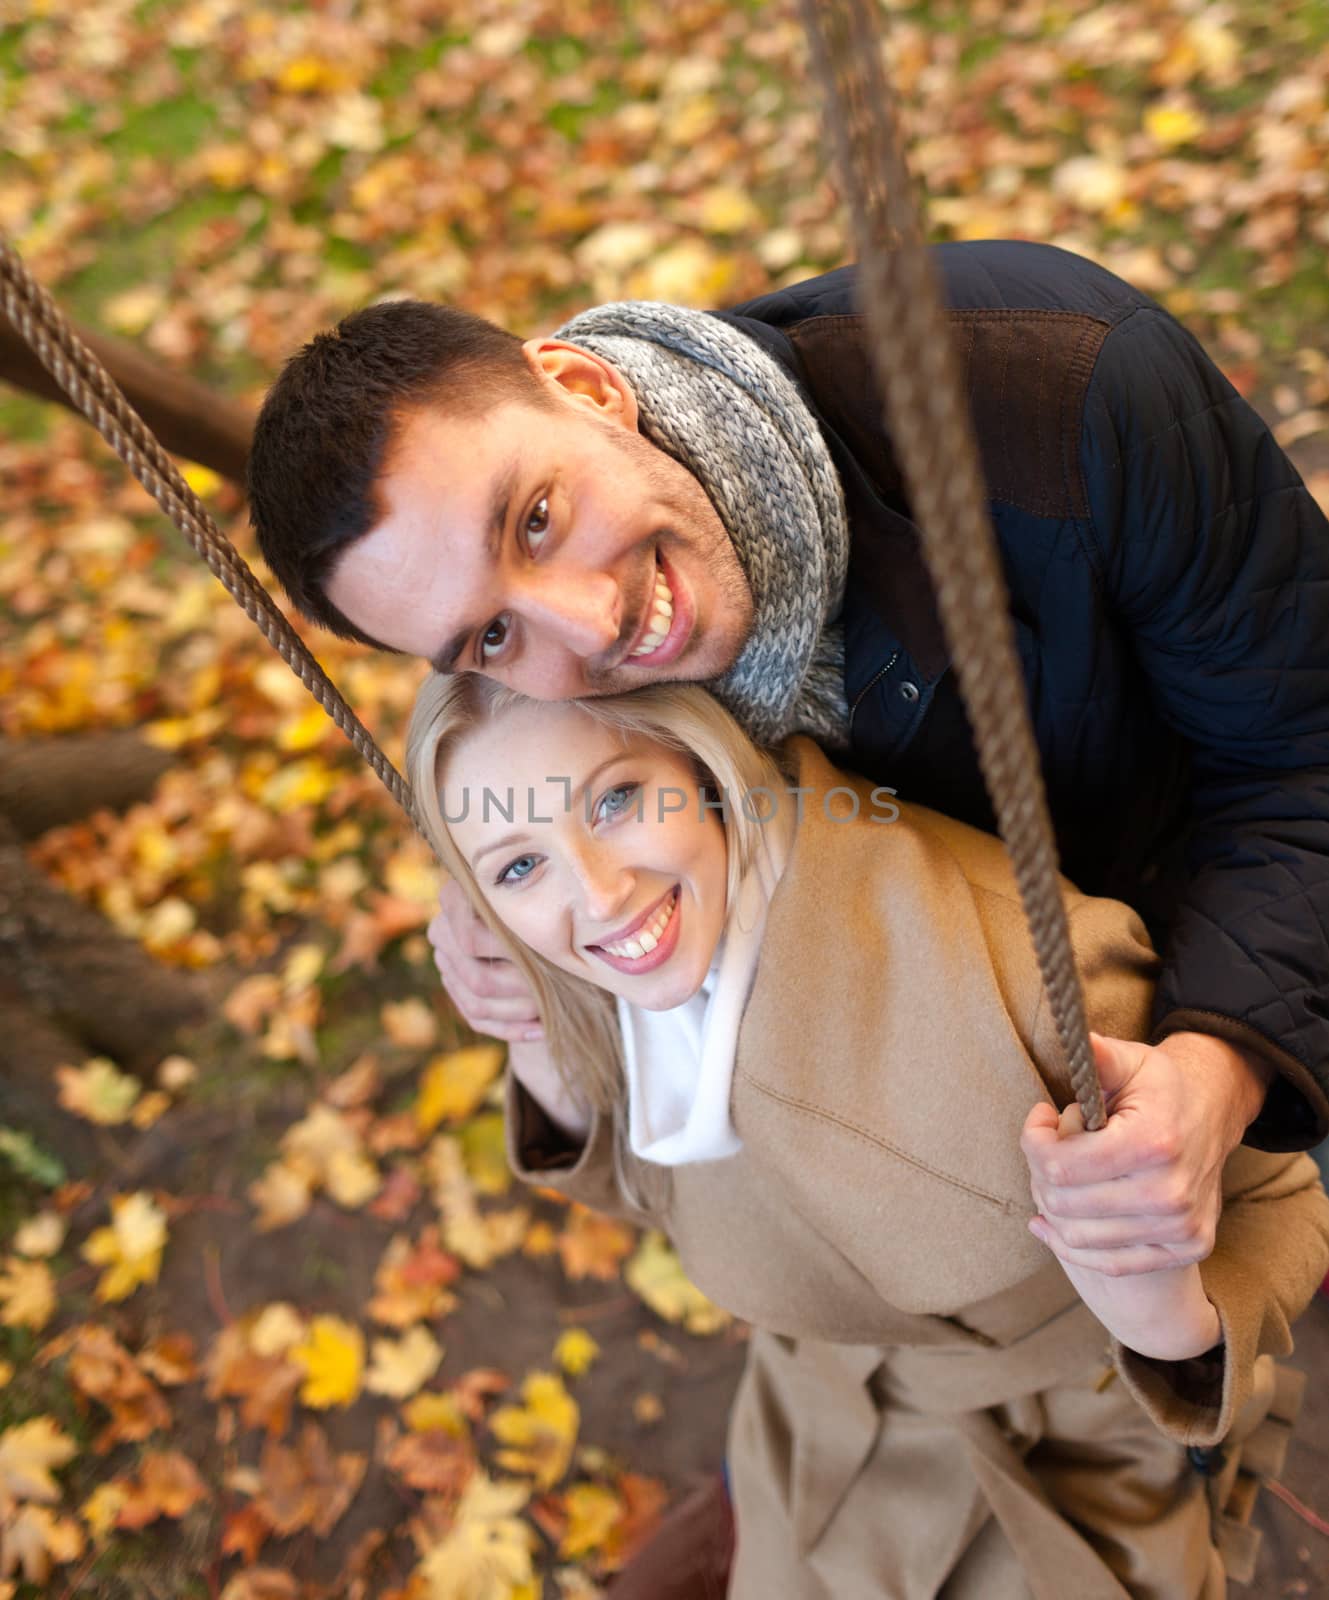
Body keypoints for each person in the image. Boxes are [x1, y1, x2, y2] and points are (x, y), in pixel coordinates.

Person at [245, 240, 1329, 1283]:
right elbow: (515, 788)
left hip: (1251, 952)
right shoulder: (550, 700)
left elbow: (1305, 755)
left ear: (583, 386)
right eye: (487, 636)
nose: (590, 627)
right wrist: (488, 892)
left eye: (536, 520)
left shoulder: (1063, 385)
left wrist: (1223, 1067)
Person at [403, 670, 1329, 1600]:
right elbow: (661, 1193)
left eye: (615, 799)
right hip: (808, 1426)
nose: (599, 895)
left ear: (697, 760)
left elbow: (1275, 1198)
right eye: (517, 865)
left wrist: (1159, 1317)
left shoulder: (1005, 969)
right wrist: (537, 1033)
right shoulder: (636, 981)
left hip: (1071, 1457)